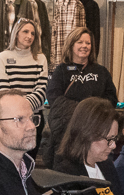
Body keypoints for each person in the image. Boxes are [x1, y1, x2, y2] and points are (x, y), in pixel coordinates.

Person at [45, 26, 116, 162]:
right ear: (71, 45)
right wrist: (84, 112)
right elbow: (55, 99)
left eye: (88, 43)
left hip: (96, 135)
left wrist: (95, 114)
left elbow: (111, 99)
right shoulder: (61, 71)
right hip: (67, 136)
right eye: (80, 42)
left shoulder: (101, 72)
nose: (84, 46)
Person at [0, 17, 49, 116]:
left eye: (32, 33)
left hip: (34, 115)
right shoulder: (3, 57)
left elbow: (42, 90)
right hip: (10, 115)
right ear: (16, 33)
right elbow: (3, 91)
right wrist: (18, 109)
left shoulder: (41, 58)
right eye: (25, 31)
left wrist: (23, 107)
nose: (29, 36)